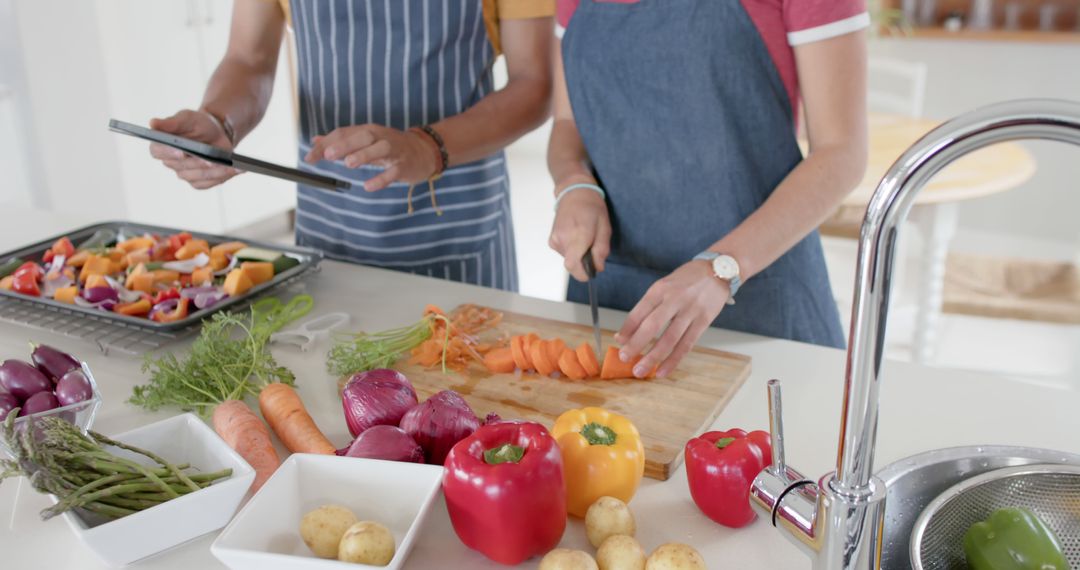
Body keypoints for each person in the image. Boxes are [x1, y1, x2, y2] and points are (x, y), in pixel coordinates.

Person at [547, 0, 869, 377]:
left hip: (758, 305)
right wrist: (574, 183)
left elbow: (841, 152)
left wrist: (722, 267)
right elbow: (567, 121)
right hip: (614, 301)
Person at [150, 0, 555, 291]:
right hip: (330, 228)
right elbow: (248, 57)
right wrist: (220, 119)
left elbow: (535, 83)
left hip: (458, 231)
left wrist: (427, 147)